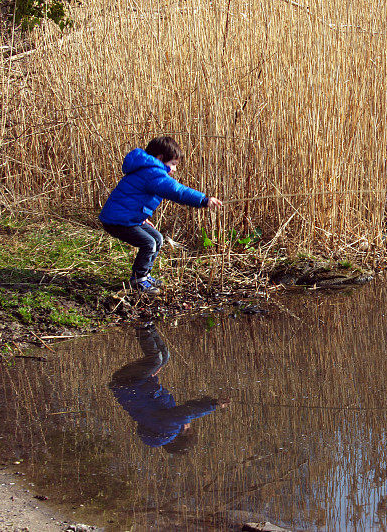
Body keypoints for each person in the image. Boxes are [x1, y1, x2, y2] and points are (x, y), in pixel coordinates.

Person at [99, 136, 223, 295]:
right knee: (149, 243)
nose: (175, 169)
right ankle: (138, 280)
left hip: (127, 217)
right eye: (173, 164)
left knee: (157, 238)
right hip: (118, 221)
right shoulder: (153, 173)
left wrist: (140, 217)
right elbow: (177, 191)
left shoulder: (146, 169)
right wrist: (203, 200)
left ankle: (145, 275)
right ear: (160, 158)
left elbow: (132, 198)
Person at [109, 324, 229, 454]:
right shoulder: (160, 427)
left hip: (128, 381)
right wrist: (209, 401)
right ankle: (150, 326)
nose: (188, 425)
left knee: (155, 360)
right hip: (133, 382)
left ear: (176, 438)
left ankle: (141, 325)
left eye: (188, 430)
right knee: (164, 357)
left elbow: (185, 413)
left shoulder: (168, 430)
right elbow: (182, 407)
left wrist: (214, 405)